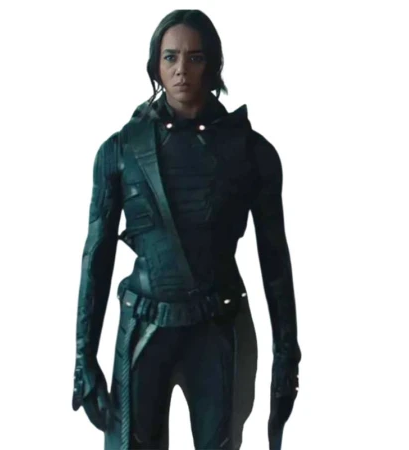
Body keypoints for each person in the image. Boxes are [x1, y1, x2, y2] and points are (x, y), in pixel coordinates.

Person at [71, 9, 302, 450]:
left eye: (195, 58)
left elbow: (275, 260)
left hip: (217, 326)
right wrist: (83, 357)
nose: (181, 69)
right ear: (155, 65)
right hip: (144, 326)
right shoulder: (119, 151)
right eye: (170, 57)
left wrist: (286, 355)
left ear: (212, 65)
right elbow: (96, 256)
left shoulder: (253, 153)